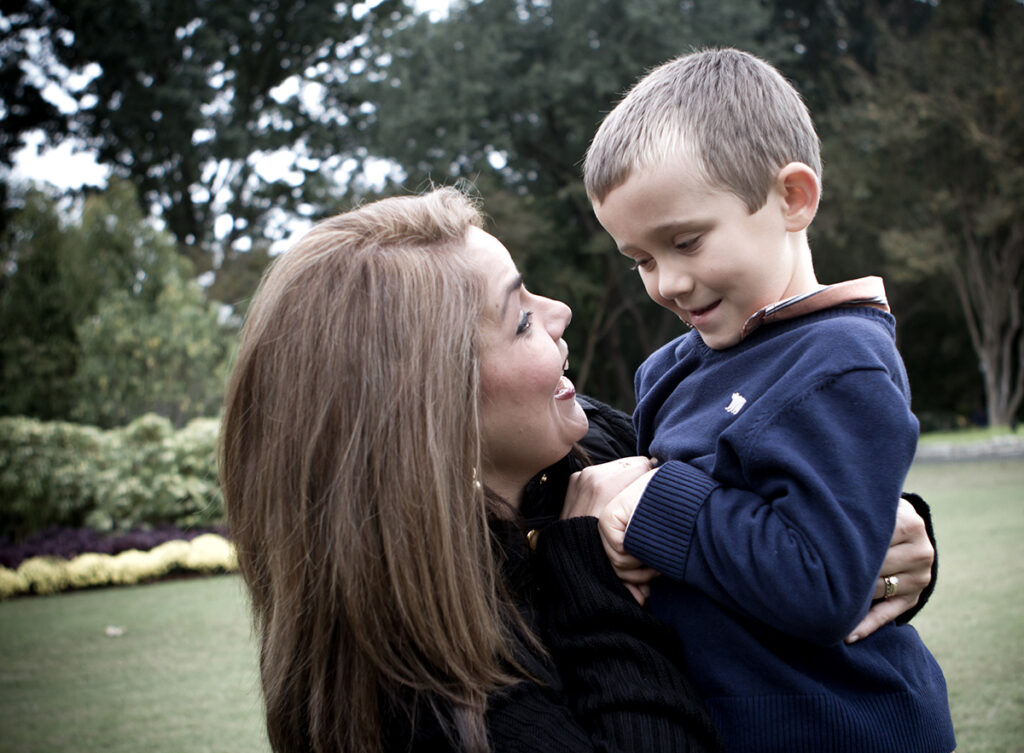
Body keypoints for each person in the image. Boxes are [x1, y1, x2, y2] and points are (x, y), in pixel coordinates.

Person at [218, 187, 938, 753]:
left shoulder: (587, 448)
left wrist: (885, 540)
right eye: (521, 317)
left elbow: (756, 492)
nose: (559, 310)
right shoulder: (424, 700)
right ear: (429, 409)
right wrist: (585, 569)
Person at [582, 49, 955, 753]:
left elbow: (822, 583)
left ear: (792, 198)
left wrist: (654, 501)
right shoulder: (667, 369)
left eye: (686, 241)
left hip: (844, 727)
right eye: (641, 260)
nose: (667, 282)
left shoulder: (841, 359)